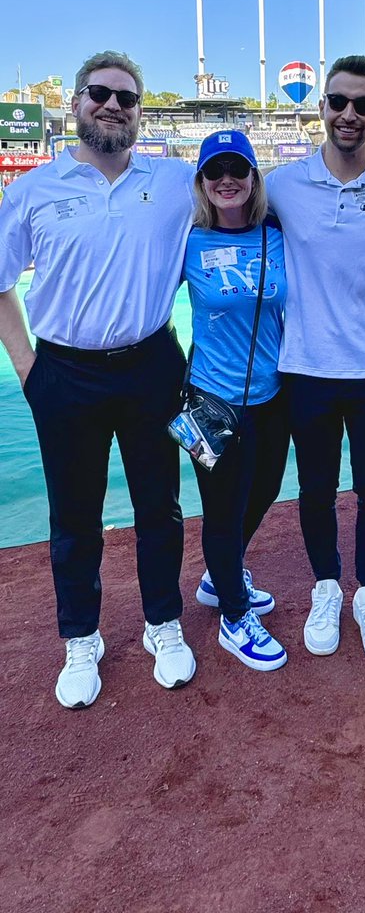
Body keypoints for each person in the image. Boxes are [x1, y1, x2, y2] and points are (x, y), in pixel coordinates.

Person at [0, 50, 197, 709]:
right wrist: (28, 368)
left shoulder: (173, 181)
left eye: (126, 97)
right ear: (76, 103)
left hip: (150, 365)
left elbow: (246, 198)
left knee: (160, 509)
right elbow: (1, 283)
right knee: (74, 518)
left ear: (139, 112)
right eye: (99, 93)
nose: (112, 105)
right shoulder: (32, 190)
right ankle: (80, 637)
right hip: (65, 372)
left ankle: (162, 624)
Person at [266, 55, 365, 664]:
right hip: (305, 367)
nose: (350, 114)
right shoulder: (284, 183)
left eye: (363, 105)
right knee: (314, 489)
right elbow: (217, 210)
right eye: (339, 102)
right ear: (322, 107)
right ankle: (326, 588)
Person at [183, 130, 289, 671]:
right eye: (215, 171)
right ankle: (232, 613)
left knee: (266, 488)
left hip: (271, 395)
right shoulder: (187, 239)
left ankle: (220, 572)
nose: (227, 179)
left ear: (253, 178)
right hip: (209, 399)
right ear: (202, 182)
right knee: (222, 509)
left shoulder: (277, 235)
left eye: (238, 169)